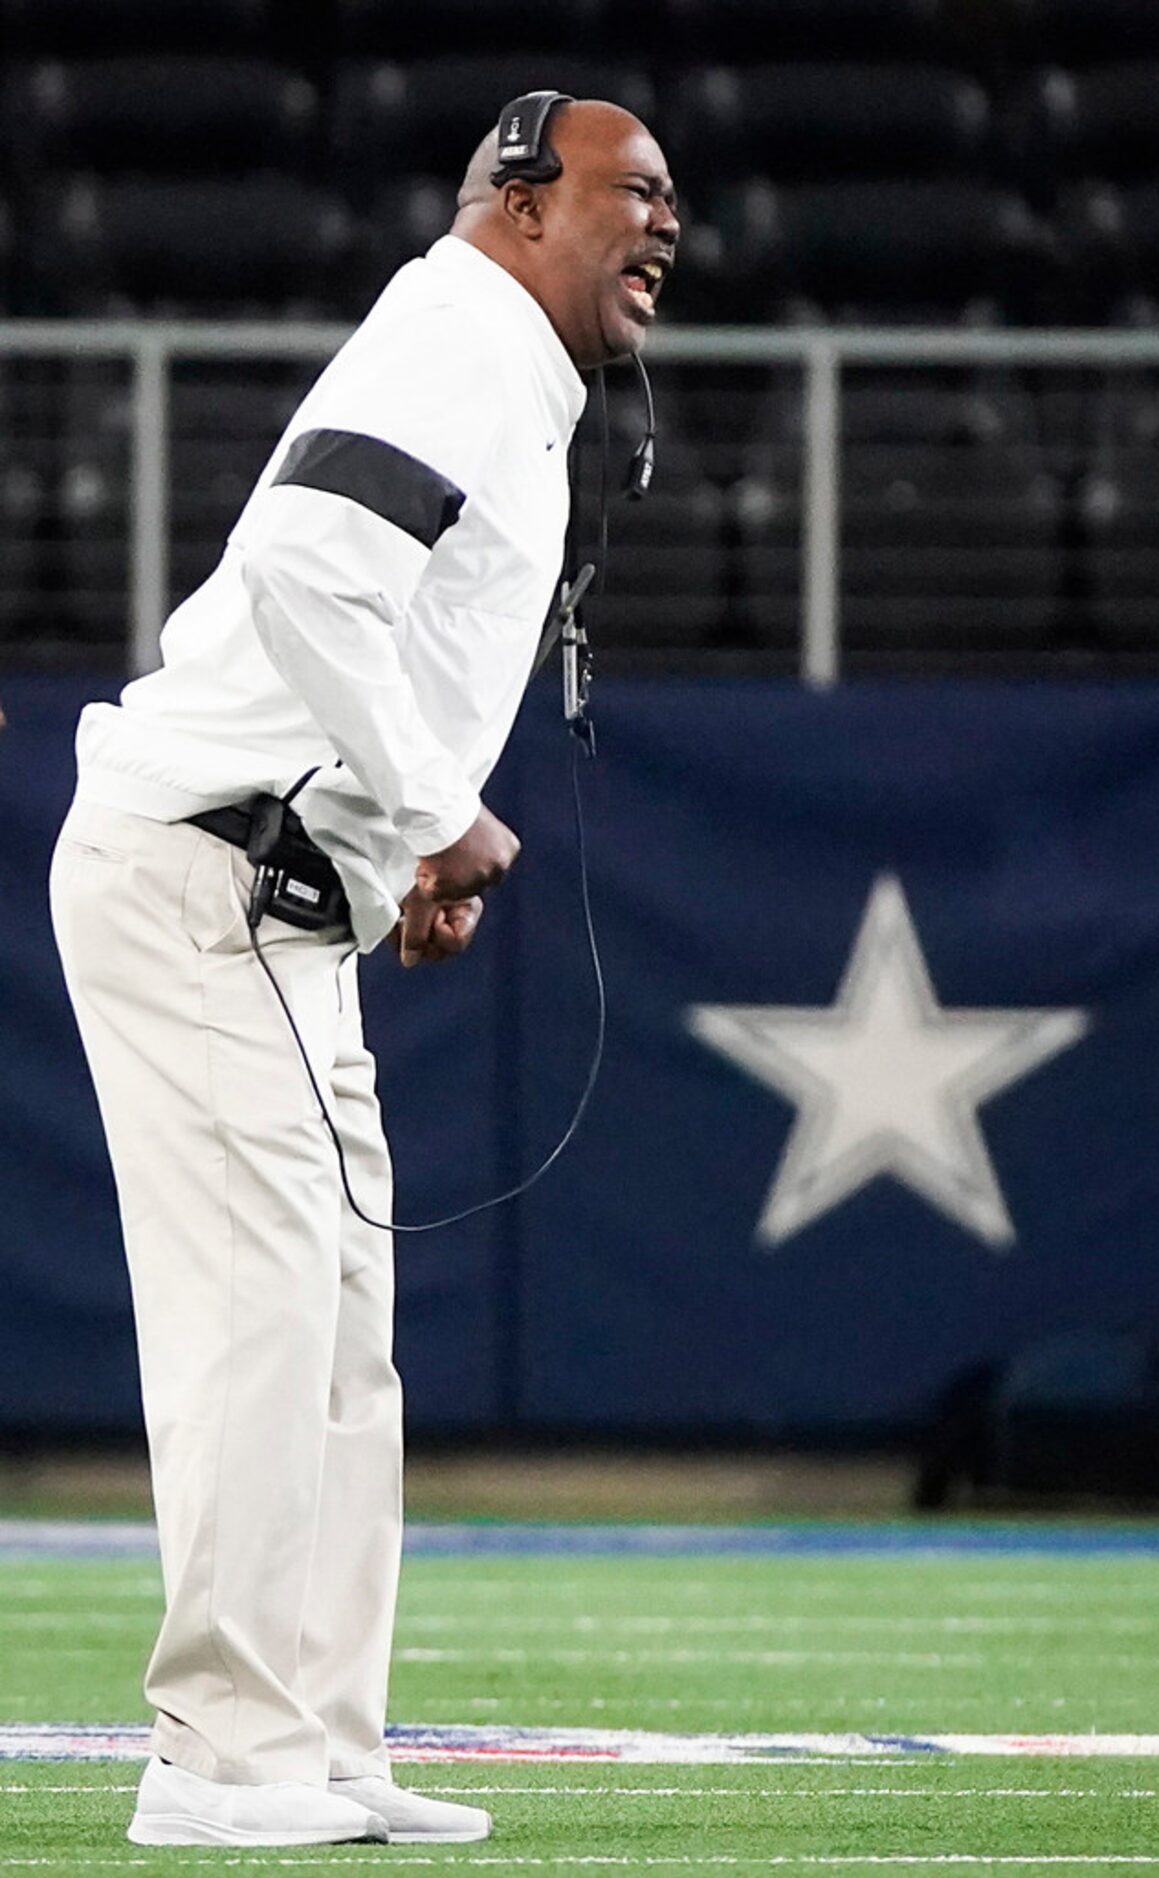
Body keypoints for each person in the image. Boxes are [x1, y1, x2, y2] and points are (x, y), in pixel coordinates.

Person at [49, 97, 679, 1849]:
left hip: (279, 894)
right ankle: (215, 1762)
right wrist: (431, 808)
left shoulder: (497, 364)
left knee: (338, 1341)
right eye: (629, 192)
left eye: (673, 204)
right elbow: (314, 563)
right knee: (259, 1328)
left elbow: (366, 607)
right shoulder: (458, 334)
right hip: (202, 878)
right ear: (514, 195)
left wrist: (389, 847)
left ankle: (313, 1742)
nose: (663, 228)